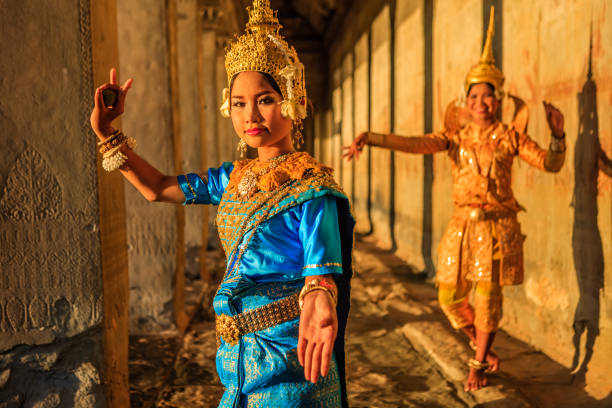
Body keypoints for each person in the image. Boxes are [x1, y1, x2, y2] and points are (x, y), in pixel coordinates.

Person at [90, 1, 354, 406]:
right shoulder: (230, 178)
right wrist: (107, 133)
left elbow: (322, 268)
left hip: (290, 355)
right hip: (234, 353)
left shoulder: (310, 186)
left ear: (292, 99)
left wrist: (320, 296)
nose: (251, 115)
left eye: (265, 99)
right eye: (239, 102)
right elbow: (158, 188)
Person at [344, 6, 565, 392]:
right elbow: (415, 144)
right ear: (465, 102)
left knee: (488, 299)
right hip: (461, 226)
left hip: (497, 228)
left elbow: (551, 164)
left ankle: (479, 362)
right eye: (474, 95)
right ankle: (478, 344)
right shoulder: (454, 138)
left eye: (487, 95)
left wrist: (559, 137)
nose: (480, 101)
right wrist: (372, 137)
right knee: (448, 297)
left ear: (498, 101)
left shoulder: (511, 137)